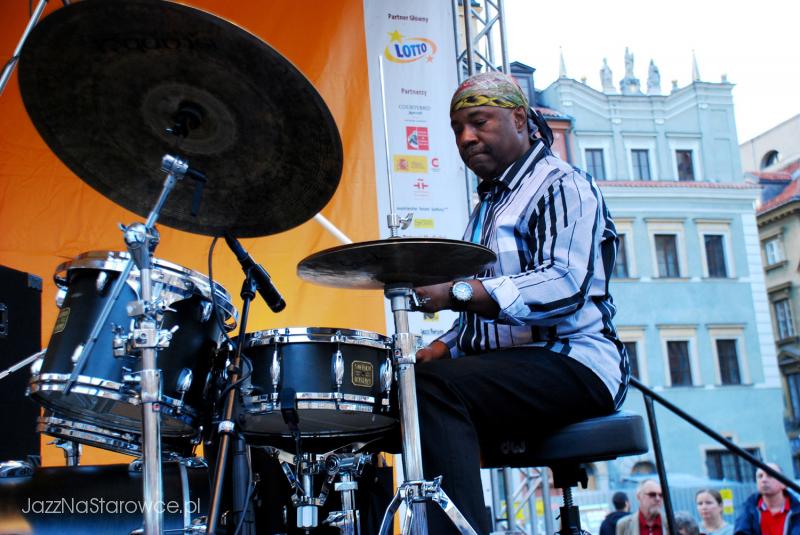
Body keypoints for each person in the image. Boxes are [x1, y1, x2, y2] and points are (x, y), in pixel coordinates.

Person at [412, 71, 628, 534]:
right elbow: (490, 301)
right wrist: (444, 348)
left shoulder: (562, 184)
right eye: (457, 129)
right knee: (401, 396)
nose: (466, 138)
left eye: (479, 122)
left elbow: (563, 284)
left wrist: (455, 291)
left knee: (432, 391)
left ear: (518, 119)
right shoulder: (487, 208)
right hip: (518, 364)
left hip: (576, 362)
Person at [734, 463, 800, 535]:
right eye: (760, 476)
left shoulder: (797, 511)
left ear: (783, 483)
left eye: (770, 475)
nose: (764, 480)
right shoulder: (748, 510)